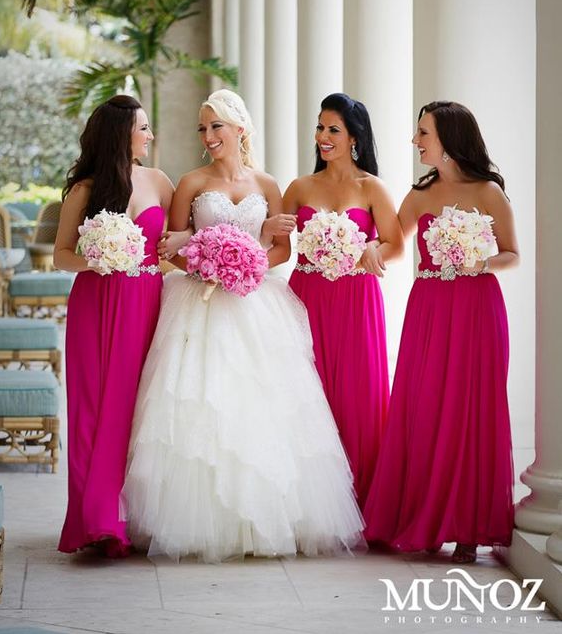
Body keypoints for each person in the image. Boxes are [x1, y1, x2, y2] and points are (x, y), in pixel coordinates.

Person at [122, 90, 364, 562]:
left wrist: (251, 262)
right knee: (199, 402)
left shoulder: (268, 184)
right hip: (200, 302)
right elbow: (169, 250)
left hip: (257, 301)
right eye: (202, 128)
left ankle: (266, 516)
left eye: (216, 127)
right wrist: (205, 260)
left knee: (263, 404)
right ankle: (197, 518)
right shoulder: (191, 182)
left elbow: (282, 251)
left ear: (240, 129)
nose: (208, 137)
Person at [363, 101, 519, 564]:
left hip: (477, 308)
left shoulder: (490, 193)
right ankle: (426, 520)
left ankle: (469, 525)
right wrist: (372, 250)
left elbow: (512, 253)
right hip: (429, 308)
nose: (415, 142)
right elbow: (394, 244)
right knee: (425, 405)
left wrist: (480, 262)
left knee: (472, 410)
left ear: (448, 140)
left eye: (423, 134)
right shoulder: (419, 196)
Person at [54, 95, 173, 557]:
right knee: (92, 408)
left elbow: (173, 245)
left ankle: (132, 517)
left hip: (146, 303)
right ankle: (95, 519)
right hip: (97, 303)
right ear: (122, 134)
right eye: (143, 127)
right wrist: (96, 259)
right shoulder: (85, 190)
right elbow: (62, 253)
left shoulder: (161, 182)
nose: (149, 135)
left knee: (135, 407)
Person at [284, 92, 403, 510]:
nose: (323, 136)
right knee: (306, 389)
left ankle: (363, 501)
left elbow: (395, 245)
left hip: (356, 299)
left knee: (358, 393)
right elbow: (278, 248)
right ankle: (309, 505)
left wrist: (374, 251)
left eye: (333, 129)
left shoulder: (372, 188)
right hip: (307, 295)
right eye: (320, 127)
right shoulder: (299, 188)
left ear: (354, 137)